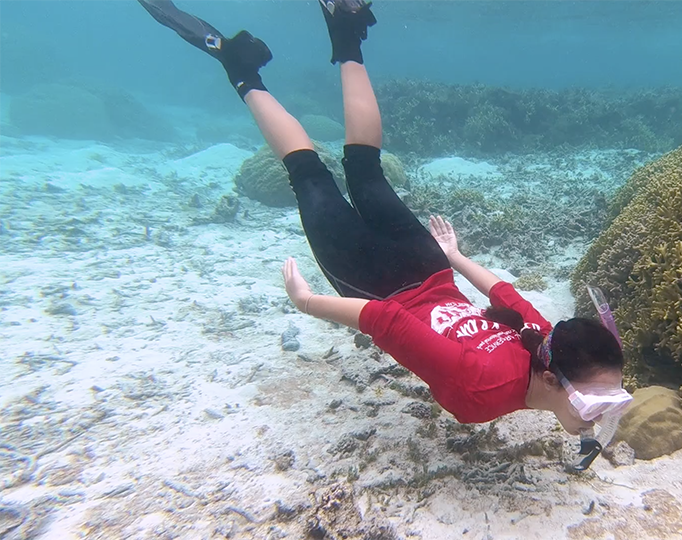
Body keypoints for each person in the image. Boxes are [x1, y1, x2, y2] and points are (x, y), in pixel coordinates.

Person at [138, 0, 633, 470]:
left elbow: (503, 293)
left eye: (609, 402)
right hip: (374, 282)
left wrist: (454, 258)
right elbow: (384, 320)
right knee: (308, 173)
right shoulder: (482, 390)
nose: (603, 414)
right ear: (550, 378)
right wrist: (306, 303)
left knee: (366, 169)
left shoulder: (549, 339)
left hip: (427, 265)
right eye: (597, 405)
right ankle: (239, 68)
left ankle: (346, 33)